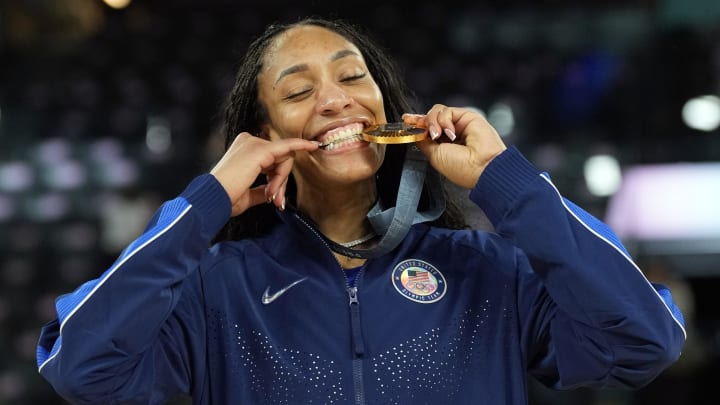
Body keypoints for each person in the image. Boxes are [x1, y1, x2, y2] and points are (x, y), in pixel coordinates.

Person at [36, 17, 686, 405]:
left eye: (352, 78)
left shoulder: (490, 273)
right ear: (262, 134)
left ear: (386, 108)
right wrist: (204, 203)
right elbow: (82, 367)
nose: (335, 100)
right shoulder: (215, 289)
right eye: (298, 89)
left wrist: (504, 183)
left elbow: (646, 338)